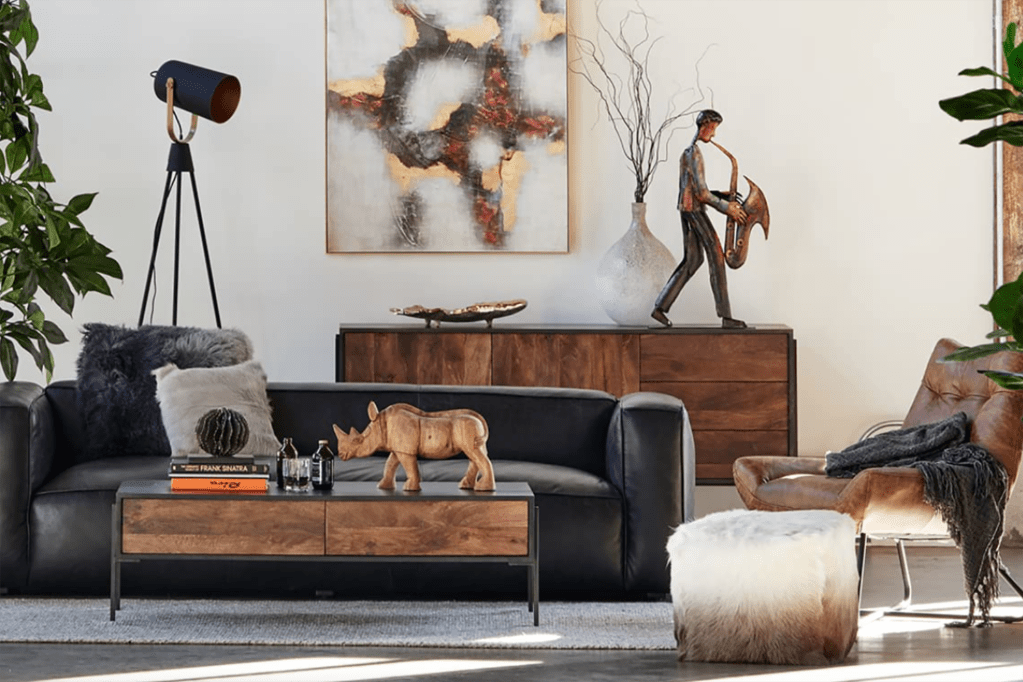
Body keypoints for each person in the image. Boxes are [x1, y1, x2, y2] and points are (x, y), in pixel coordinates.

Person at [651, 109, 748, 329]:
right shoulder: (694, 153)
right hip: (694, 210)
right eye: (713, 129)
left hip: (687, 209)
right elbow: (701, 194)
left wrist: (719, 195)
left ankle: (659, 308)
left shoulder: (688, 152)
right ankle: (726, 317)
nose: (713, 135)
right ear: (704, 127)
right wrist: (727, 208)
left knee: (694, 260)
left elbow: (695, 188)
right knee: (716, 256)